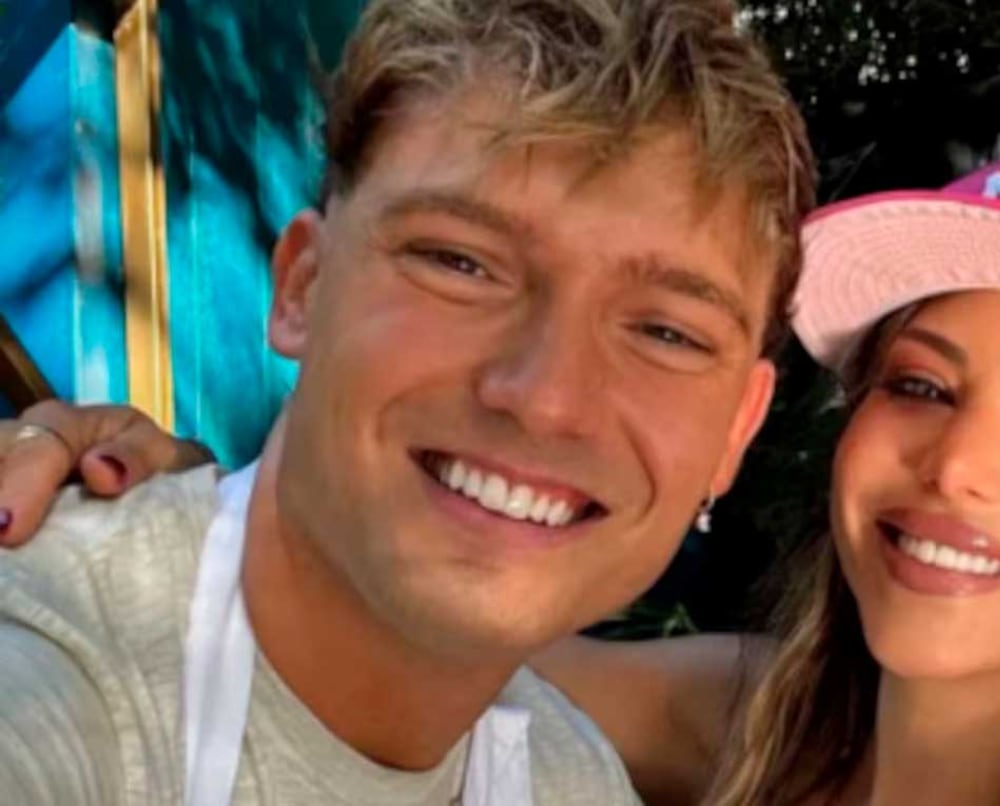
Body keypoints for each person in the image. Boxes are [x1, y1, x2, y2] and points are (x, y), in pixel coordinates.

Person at [1, 147, 1000, 804]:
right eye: (919, 385)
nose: (958, 463)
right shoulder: (734, 720)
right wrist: (173, 499)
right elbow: (350, 619)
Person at [0, 0, 814, 803]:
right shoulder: (48, 666)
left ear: (737, 430)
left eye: (668, 333)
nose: (547, 399)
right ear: (303, 287)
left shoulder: (572, 778)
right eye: (460, 263)